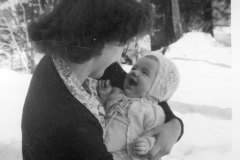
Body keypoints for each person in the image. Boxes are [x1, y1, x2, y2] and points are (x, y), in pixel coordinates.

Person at [21, 0, 183, 159]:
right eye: (124, 44)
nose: (121, 56)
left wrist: (175, 126)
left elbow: (149, 92)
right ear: (107, 40)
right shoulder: (74, 128)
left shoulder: (63, 59)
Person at [95, 53, 180, 160]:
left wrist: (147, 143)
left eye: (145, 73)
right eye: (134, 68)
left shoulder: (153, 111)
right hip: (99, 145)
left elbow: (154, 134)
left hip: (123, 154)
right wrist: (104, 96)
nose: (135, 72)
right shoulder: (117, 93)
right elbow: (102, 112)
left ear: (156, 87)